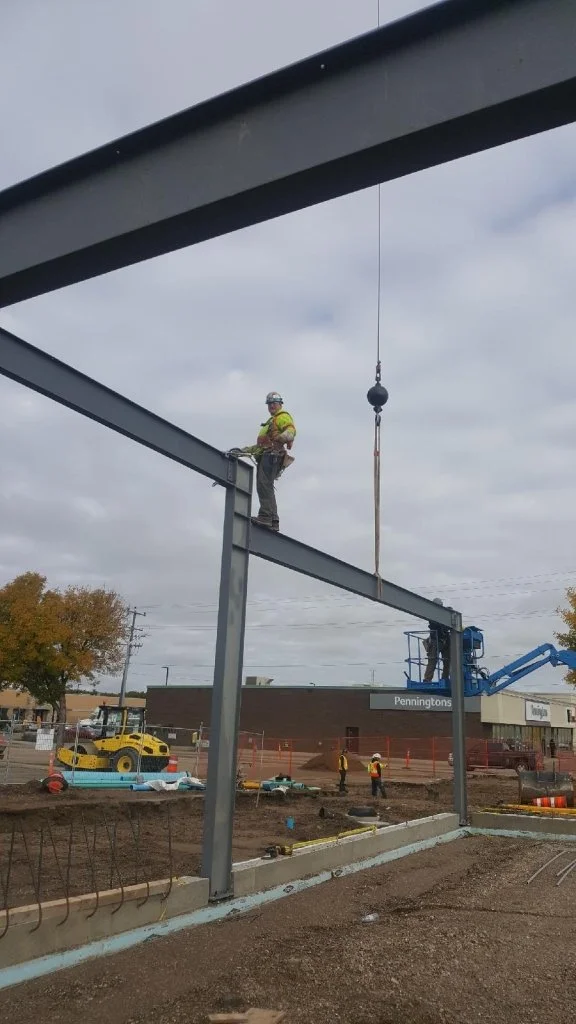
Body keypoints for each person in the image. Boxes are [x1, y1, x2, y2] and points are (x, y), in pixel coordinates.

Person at [228, 392, 296, 533]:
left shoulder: (282, 416)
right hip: (267, 455)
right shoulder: (270, 423)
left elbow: (291, 431)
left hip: (272, 456)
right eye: (269, 403)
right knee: (266, 486)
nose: (271, 405)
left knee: (264, 485)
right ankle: (273, 520)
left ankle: (266, 516)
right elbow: (261, 447)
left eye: (274, 403)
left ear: (280, 404)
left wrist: (280, 439)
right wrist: (242, 451)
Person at [423, 598, 451, 683]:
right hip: (436, 640)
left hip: (445, 640)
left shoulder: (443, 615)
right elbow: (435, 624)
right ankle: (427, 679)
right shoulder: (432, 615)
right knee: (432, 660)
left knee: (448, 661)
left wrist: (449, 611)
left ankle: (445, 679)